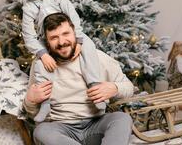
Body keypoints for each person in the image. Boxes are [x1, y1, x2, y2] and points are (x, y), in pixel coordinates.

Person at [23, 13, 134, 145]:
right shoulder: (40, 65)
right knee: (41, 131)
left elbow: (129, 87)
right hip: (61, 129)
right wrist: (30, 100)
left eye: (66, 34)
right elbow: (32, 113)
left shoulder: (97, 58)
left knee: (122, 118)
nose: (61, 42)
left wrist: (115, 88)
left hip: (96, 124)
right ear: (46, 41)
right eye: (54, 38)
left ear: (75, 32)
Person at [19, 0, 106, 122]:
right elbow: (28, 35)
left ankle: (94, 85)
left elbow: (72, 15)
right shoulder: (29, 8)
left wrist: (79, 39)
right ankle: (46, 102)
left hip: (70, 34)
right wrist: (42, 53)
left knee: (89, 46)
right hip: (47, 42)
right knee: (40, 65)